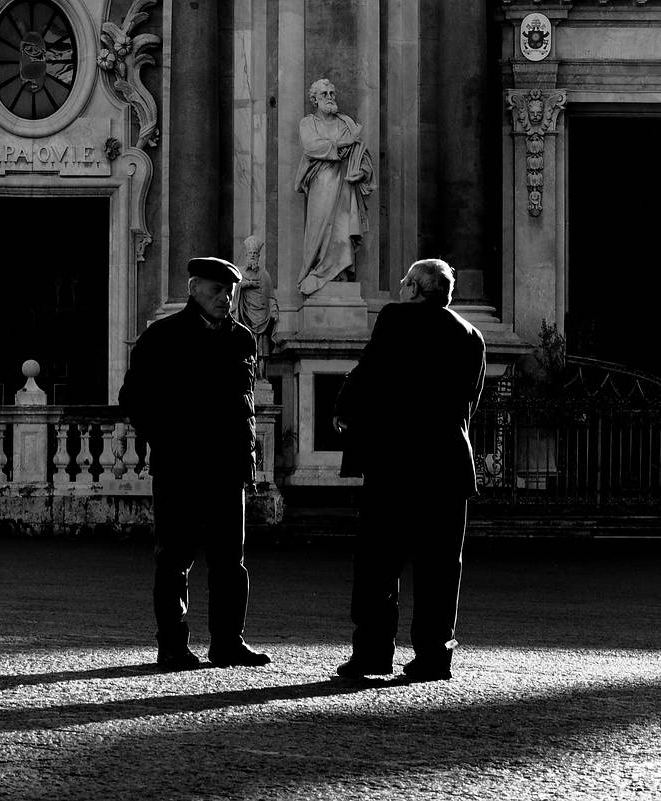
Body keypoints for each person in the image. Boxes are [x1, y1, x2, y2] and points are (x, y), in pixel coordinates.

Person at [332, 258, 486, 681]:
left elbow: (371, 370)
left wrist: (344, 409)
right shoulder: (471, 335)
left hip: (397, 463)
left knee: (379, 563)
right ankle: (435, 658)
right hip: (449, 466)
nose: (401, 289)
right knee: (440, 568)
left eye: (404, 282)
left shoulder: (396, 318)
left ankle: (372, 655)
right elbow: (470, 401)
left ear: (417, 289)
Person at [119, 256, 271, 671]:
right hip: (180, 466)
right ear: (194, 288)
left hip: (227, 468)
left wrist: (248, 460)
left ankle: (228, 643)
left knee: (230, 561)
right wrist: (167, 442)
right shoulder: (163, 336)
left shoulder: (242, 338)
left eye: (231, 291)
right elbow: (133, 399)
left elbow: (247, 407)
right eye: (217, 290)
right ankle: (172, 645)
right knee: (174, 560)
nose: (226, 298)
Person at [295, 78, 375, 297]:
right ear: (315, 100)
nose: (330, 98)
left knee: (341, 230)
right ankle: (317, 270)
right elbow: (311, 146)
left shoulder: (345, 123)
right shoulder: (308, 123)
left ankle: (339, 272)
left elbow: (362, 154)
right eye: (324, 95)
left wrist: (363, 172)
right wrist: (342, 144)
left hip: (345, 186)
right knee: (318, 230)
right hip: (320, 184)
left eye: (332, 93)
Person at [233, 235, 280, 380]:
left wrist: (274, 310)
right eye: (250, 254)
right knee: (245, 350)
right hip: (244, 317)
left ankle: (261, 377)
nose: (253, 256)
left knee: (262, 353)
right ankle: (247, 378)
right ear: (246, 255)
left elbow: (271, 296)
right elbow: (233, 290)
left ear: (259, 256)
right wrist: (246, 285)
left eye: (255, 254)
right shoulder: (239, 273)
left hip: (263, 319)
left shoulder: (264, 275)